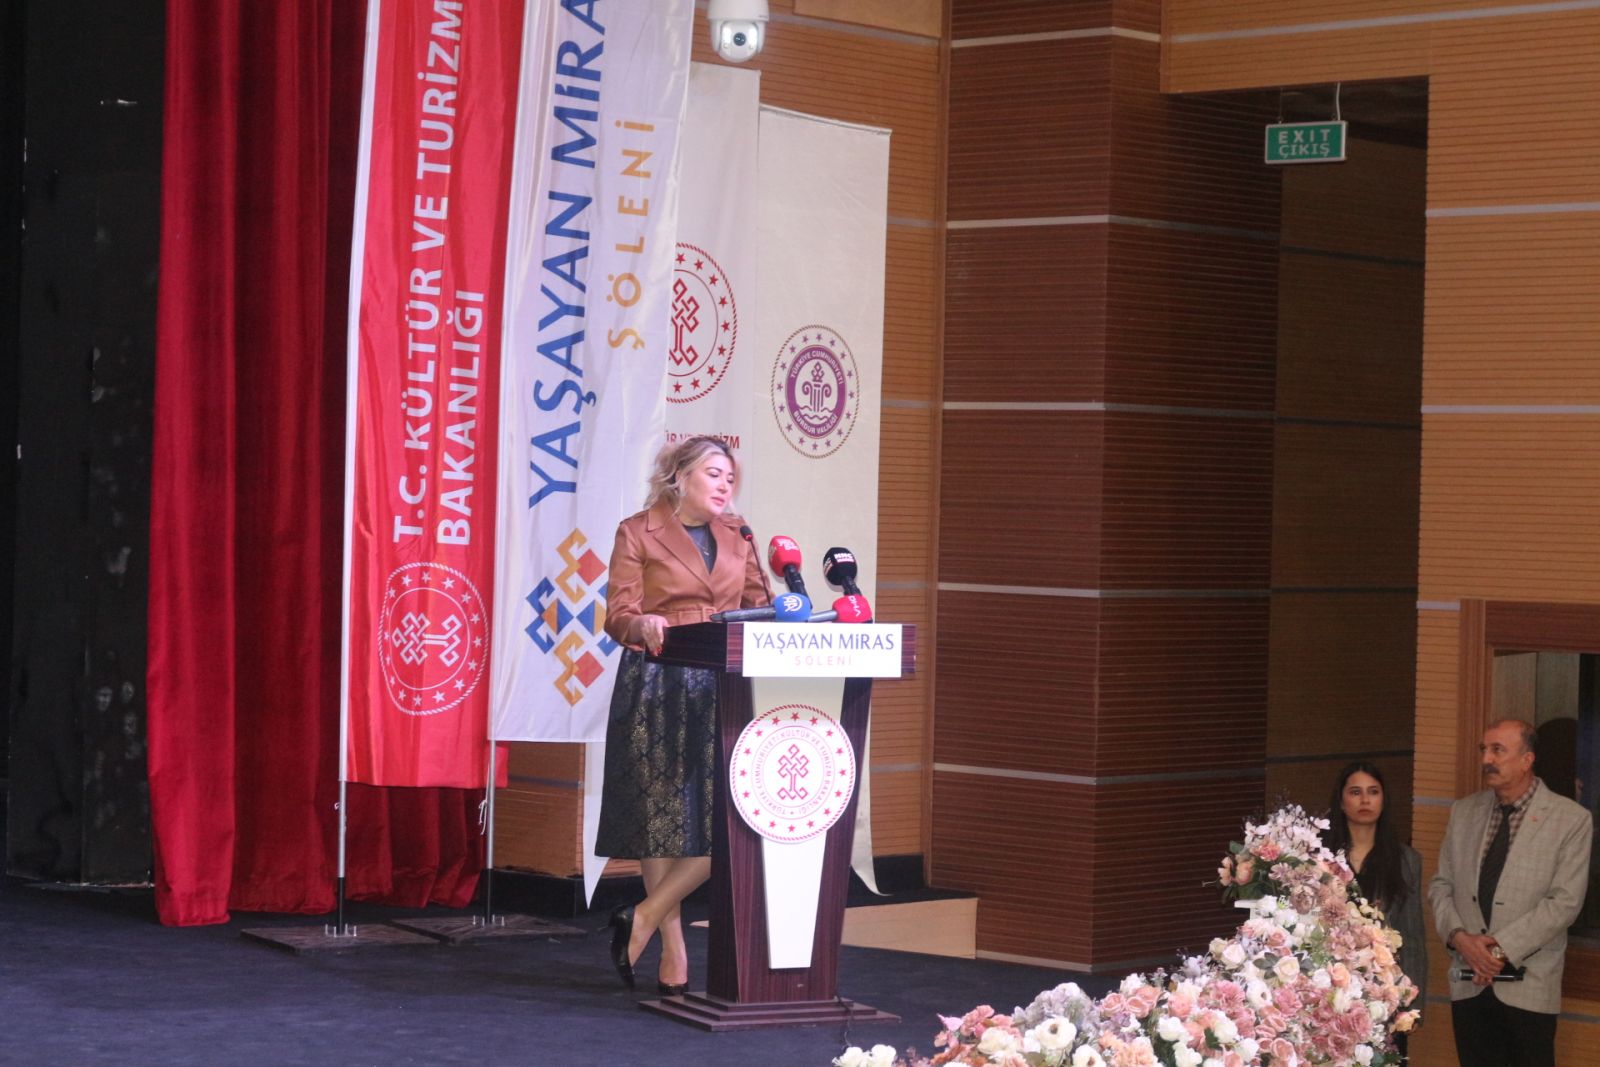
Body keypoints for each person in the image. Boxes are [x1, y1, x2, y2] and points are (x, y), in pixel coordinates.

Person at [594, 435, 769, 995]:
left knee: (735, 817)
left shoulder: (739, 534)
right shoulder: (637, 530)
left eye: (730, 477)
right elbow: (618, 614)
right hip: (658, 679)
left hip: (722, 681)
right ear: (680, 476)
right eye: (714, 474)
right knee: (660, 817)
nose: (725, 485)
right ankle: (673, 947)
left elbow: (761, 607)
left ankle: (642, 916)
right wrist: (641, 624)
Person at [1428, 719, 1593, 1067]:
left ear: (1527, 759)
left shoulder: (1570, 819)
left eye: (1497, 750)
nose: (1486, 759)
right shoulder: (1464, 812)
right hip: (1469, 982)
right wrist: (1461, 940)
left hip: (1529, 987)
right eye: (1483, 750)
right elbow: (1441, 886)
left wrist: (1498, 951)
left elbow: (1564, 903)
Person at [1324, 761, 1427, 1057]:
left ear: (1383, 800)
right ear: (1341, 802)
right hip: (1331, 991)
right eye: (1355, 792)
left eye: (1373, 792)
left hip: (1385, 995)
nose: (1365, 800)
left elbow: (1413, 937)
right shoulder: (1322, 858)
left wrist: (1411, 1007)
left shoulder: (1406, 860)